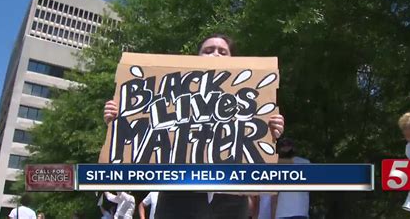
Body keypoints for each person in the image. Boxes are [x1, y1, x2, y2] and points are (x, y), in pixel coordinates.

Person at [103, 34, 285, 219]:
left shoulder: (251, 99)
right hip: (178, 196)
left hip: (230, 199)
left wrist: (271, 132)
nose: (215, 54)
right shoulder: (170, 95)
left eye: (222, 51)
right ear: (196, 57)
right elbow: (141, 133)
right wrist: (117, 122)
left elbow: (256, 150)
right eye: (208, 50)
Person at [272, 137, 310, 219]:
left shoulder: (303, 163)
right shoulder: (305, 163)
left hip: (296, 212)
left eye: (287, 146)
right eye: (284, 146)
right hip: (287, 212)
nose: (286, 148)